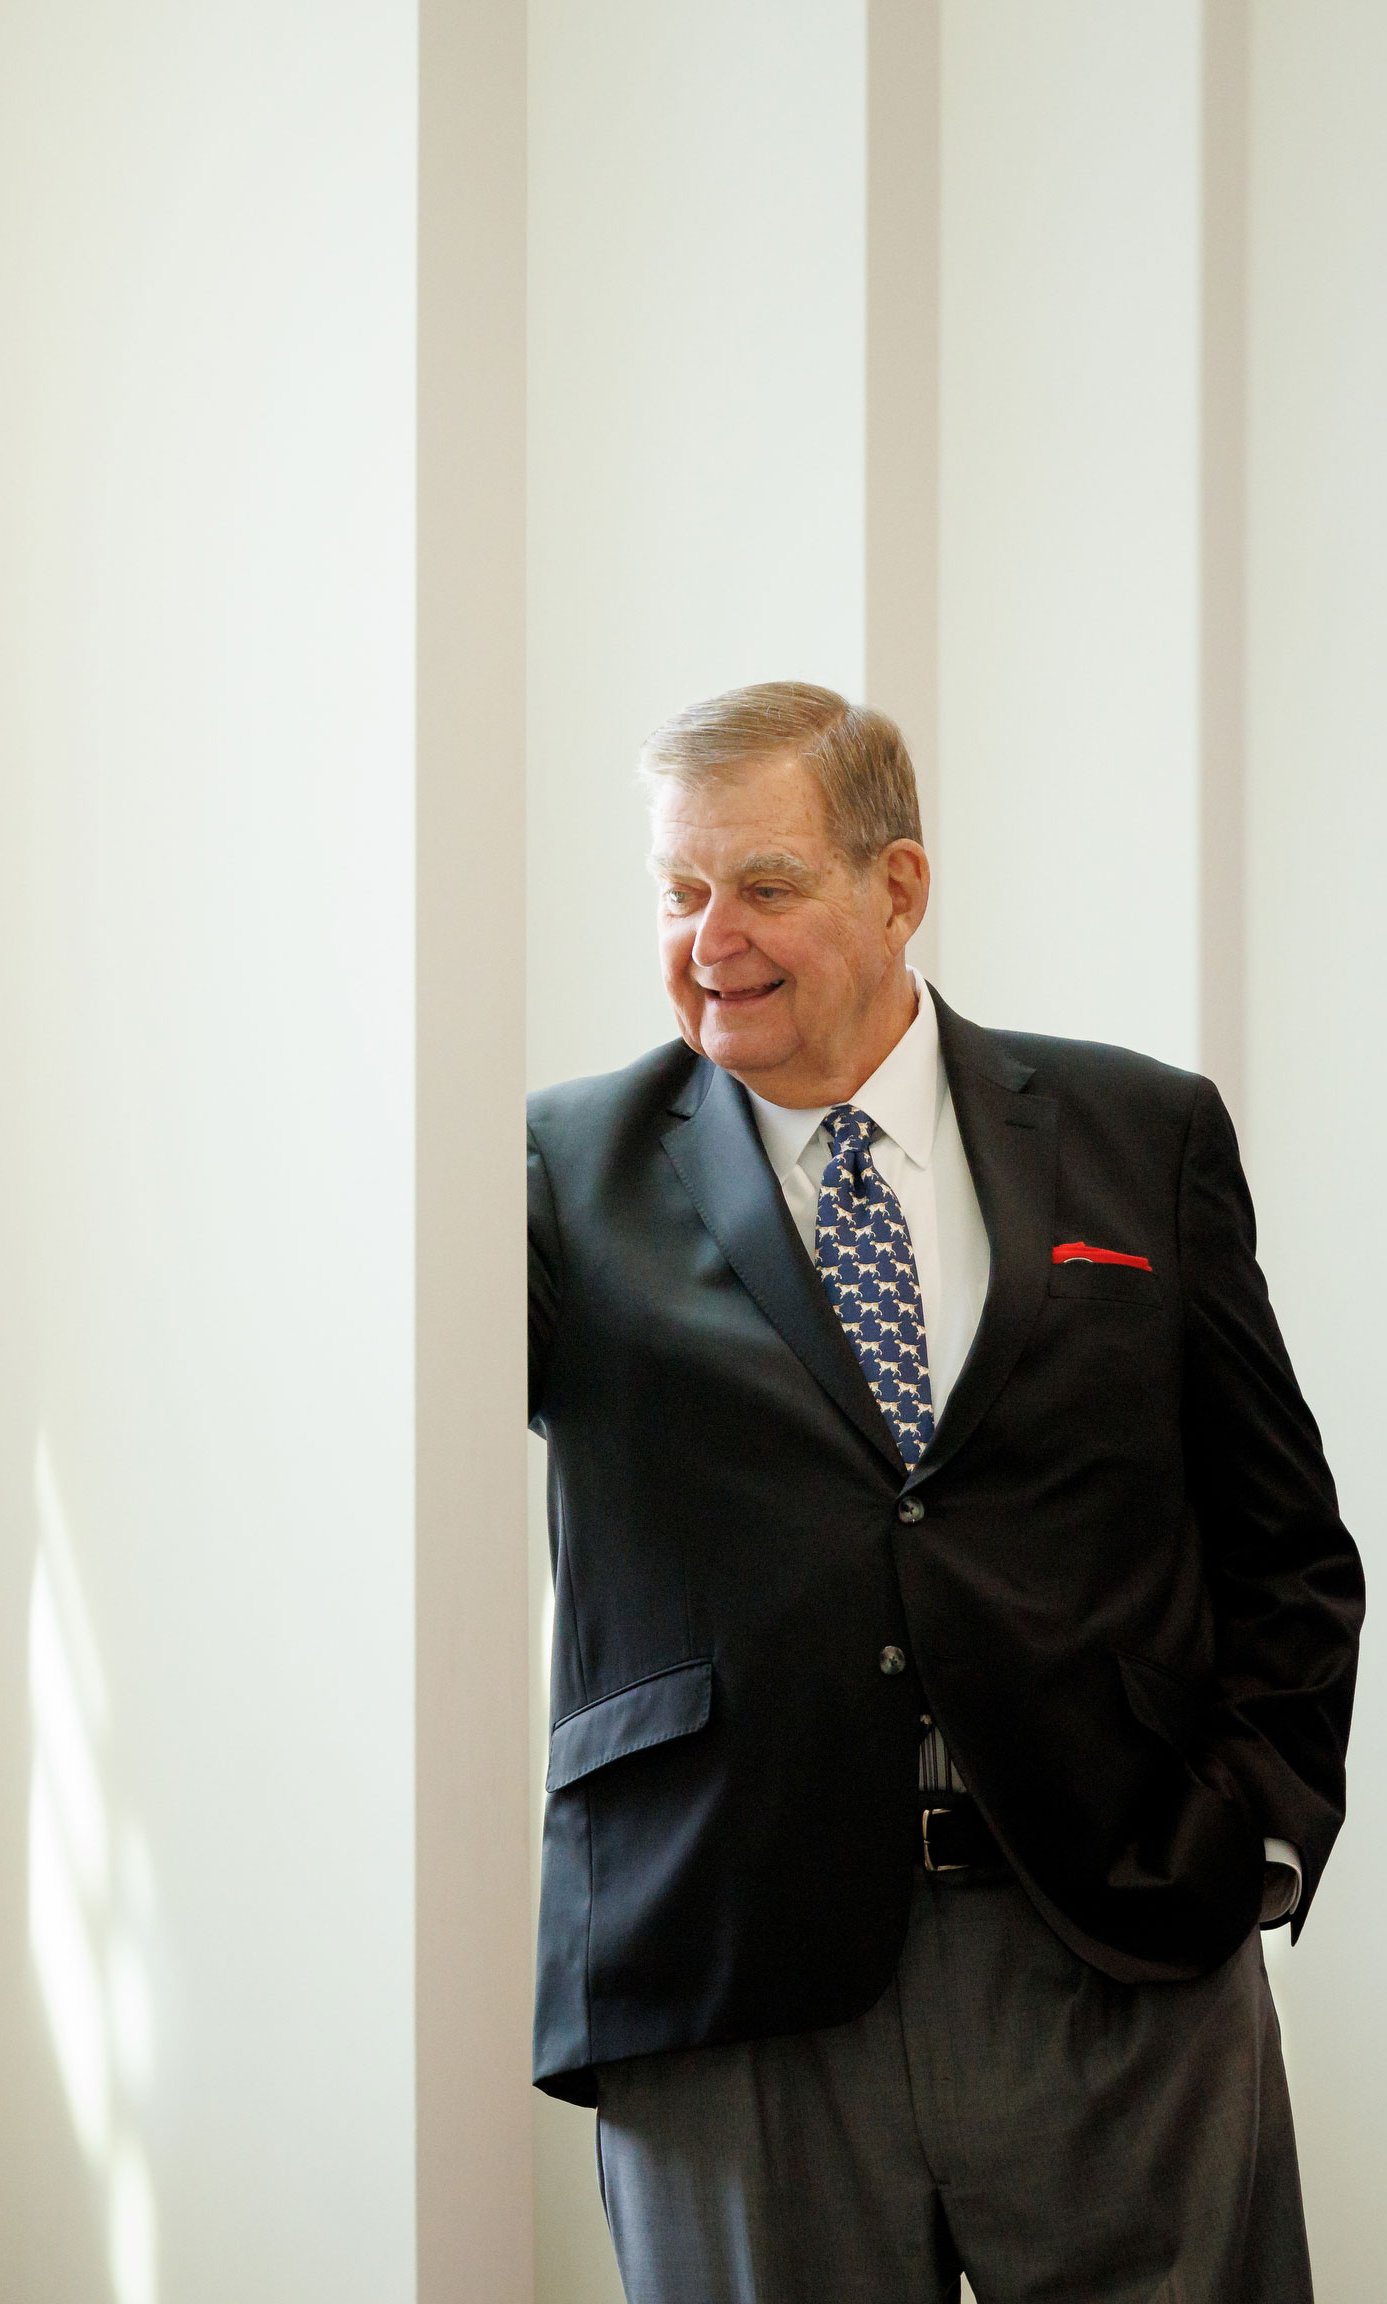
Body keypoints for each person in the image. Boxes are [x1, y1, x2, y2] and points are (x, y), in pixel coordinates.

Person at [524, 683, 1361, 2301]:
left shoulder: (1138, 1133)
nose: (713, 940)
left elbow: (1288, 1543)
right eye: (678, 892)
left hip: (1113, 1935)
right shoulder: (563, 1175)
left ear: (897, 887)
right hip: (730, 1965)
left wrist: (1251, 1836)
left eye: (764, 886)